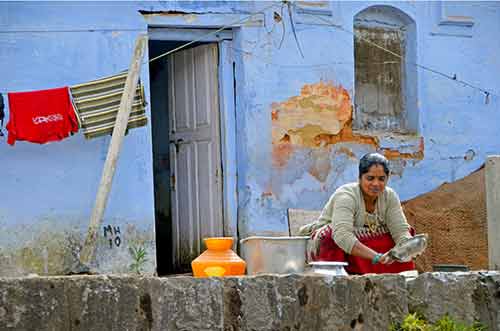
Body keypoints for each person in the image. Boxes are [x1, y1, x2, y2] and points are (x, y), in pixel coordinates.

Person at [298, 152, 415, 274]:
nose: (376, 184)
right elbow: (342, 236)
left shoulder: (389, 196)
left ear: (387, 178)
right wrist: (376, 257)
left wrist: (408, 247)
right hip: (341, 240)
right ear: (360, 178)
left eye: (381, 179)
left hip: (367, 241)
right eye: (370, 178)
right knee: (331, 236)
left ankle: (401, 282)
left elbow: (400, 230)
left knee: (405, 237)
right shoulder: (346, 195)